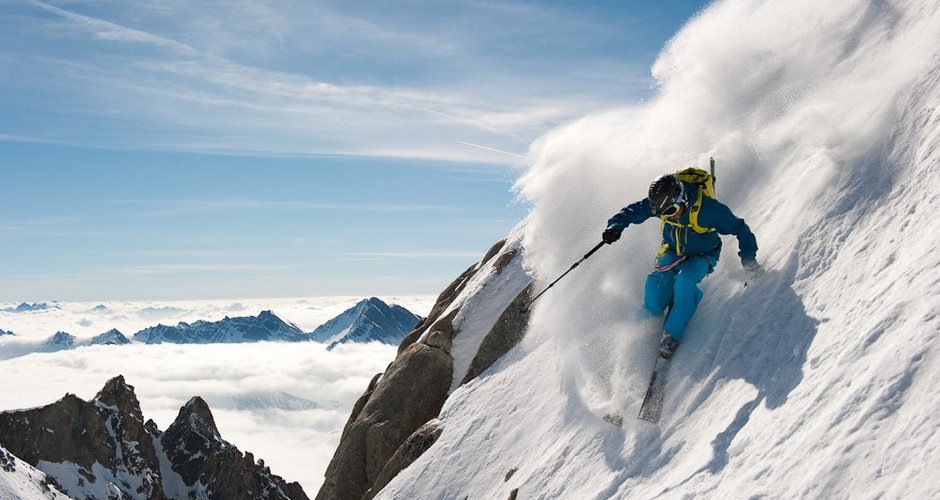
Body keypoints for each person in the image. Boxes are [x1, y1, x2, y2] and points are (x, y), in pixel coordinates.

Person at [602, 172, 761, 359]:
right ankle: (647, 321)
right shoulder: (661, 204)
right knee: (655, 286)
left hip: (702, 255)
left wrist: (749, 259)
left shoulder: (709, 211)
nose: (667, 215)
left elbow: (740, 229)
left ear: (682, 198)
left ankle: (672, 334)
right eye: (662, 213)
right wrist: (615, 226)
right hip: (672, 251)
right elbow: (634, 211)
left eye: (670, 212)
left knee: (684, 282)